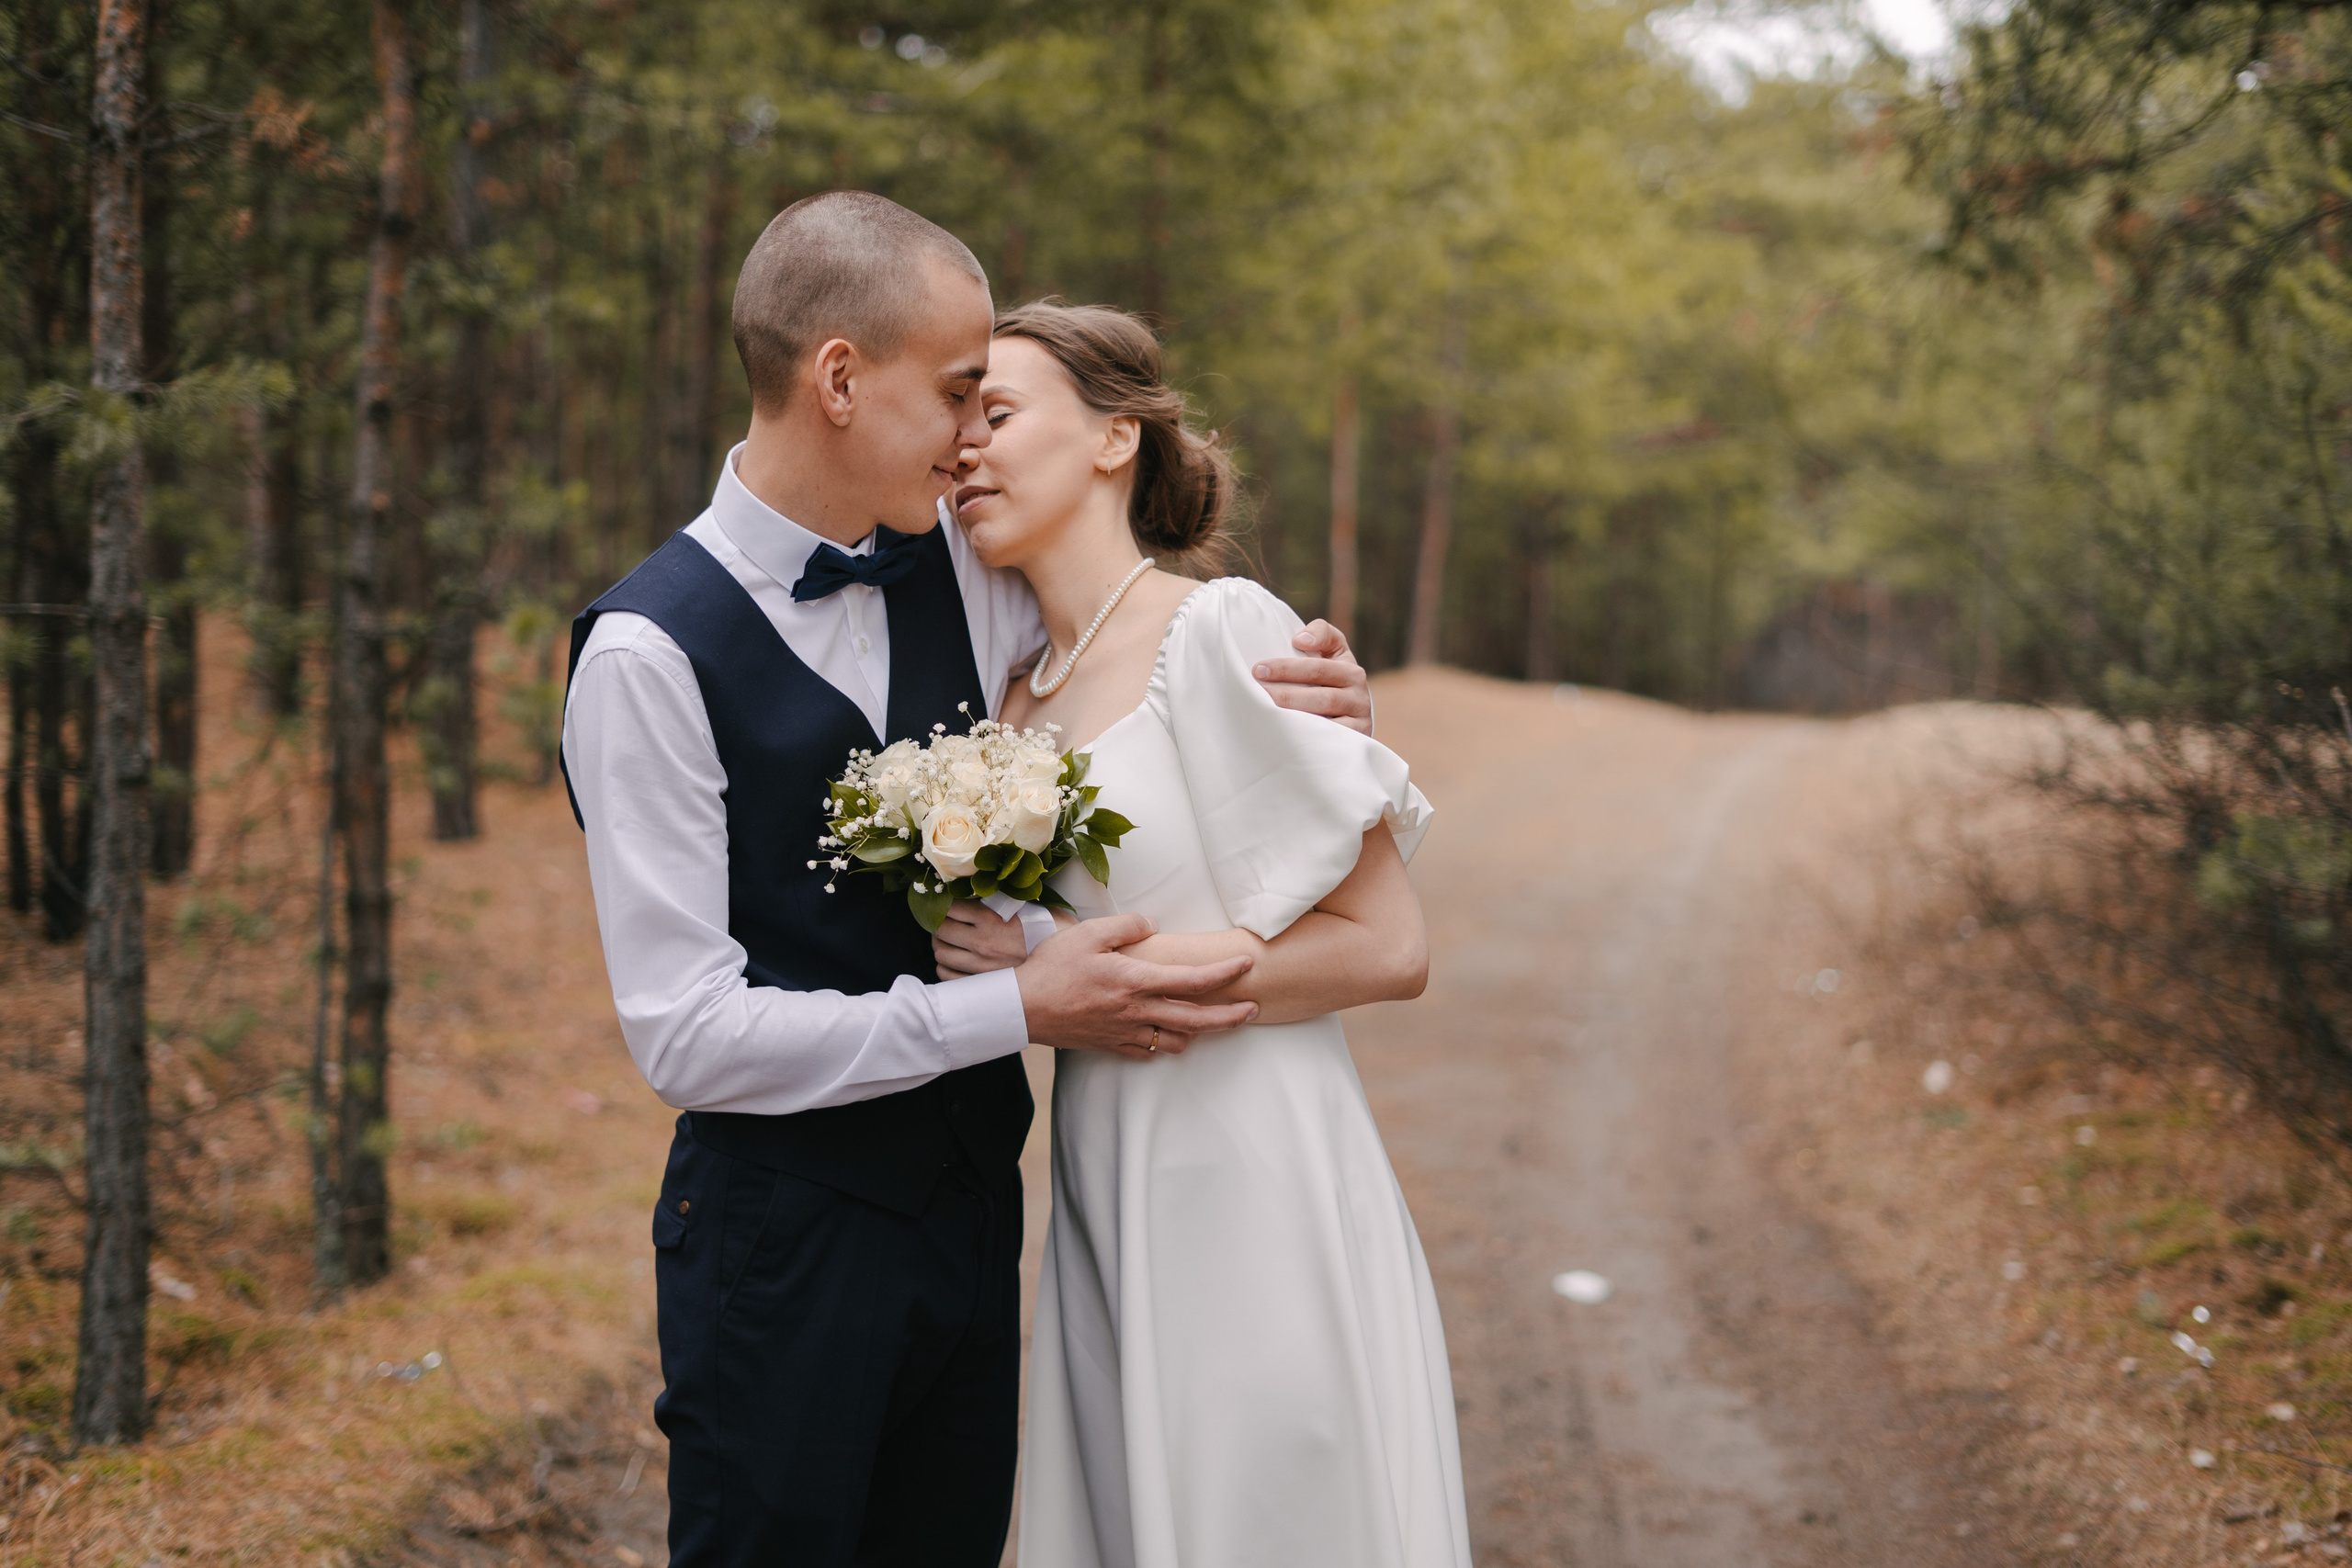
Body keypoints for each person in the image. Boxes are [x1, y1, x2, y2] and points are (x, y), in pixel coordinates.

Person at [559, 194, 1376, 1568]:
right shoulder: (648, 657)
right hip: (781, 1244)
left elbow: (1127, 658)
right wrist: (1019, 1011)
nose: (971, 439)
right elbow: (686, 1033)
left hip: (971, 1215)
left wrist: (1306, 683)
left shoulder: (964, 574)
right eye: (955, 396)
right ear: (835, 380)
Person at [933, 301, 1471, 1567]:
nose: (966, 450)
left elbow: (1389, 948)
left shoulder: (1218, 631)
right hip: (1104, 1170)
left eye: (998, 416)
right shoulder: (1011, 698)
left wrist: (1050, 976)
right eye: (955, 426)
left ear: (1116, 438)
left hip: (1252, 1166)